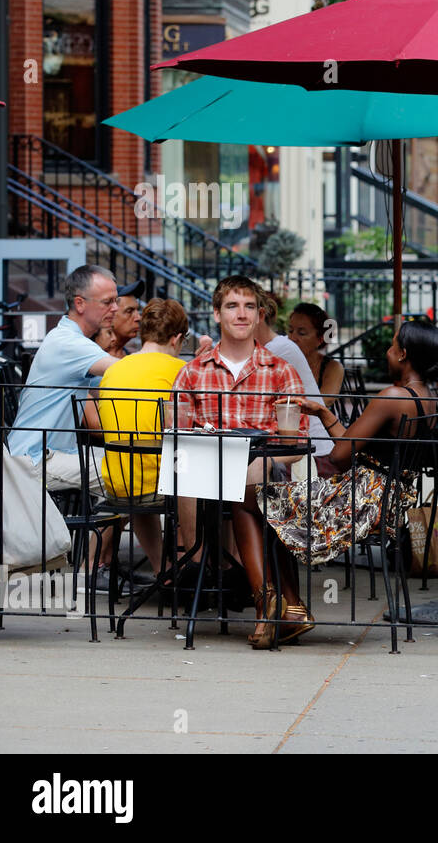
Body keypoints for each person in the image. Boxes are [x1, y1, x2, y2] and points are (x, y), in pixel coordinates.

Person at [171, 275, 313, 650]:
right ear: (217, 313)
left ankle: (269, 607)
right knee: (245, 482)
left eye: (250, 306)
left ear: (260, 314)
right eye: (232, 306)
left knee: (251, 480)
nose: (242, 313)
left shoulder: (281, 371)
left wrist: (255, 461)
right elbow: (177, 441)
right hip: (206, 473)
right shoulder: (193, 372)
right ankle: (287, 605)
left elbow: (297, 443)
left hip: (266, 469)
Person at [262, 318, 438, 565]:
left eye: (392, 348)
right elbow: (352, 446)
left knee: (255, 500)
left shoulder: (392, 397)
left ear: (403, 354)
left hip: (360, 502)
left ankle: (271, 591)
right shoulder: (429, 398)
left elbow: (339, 456)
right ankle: (279, 592)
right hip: (389, 500)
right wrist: (322, 412)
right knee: (268, 500)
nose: (386, 353)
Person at [91, 299, 192, 577]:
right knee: (214, 482)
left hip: (117, 480)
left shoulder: (114, 369)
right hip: (162, 485)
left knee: (141, 484)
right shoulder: (179, 371)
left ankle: (163, 568)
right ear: (177, 338)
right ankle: (194, 565)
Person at [8, 264, 119, 496]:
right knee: (129, 473)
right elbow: (125, 372)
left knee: (132, 468)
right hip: (36, 459)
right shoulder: (69, 343)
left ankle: (99, 533)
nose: (115, 308)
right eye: (108, 302)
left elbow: (118, 381)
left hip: (48, 453)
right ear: (80, 304)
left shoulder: (68, 338)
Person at [254, 292, 332, 465]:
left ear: (260, 315)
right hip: (295, 450)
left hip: (311, 454)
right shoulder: (278, 346)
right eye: (291, 330)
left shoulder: (280, 349)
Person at [287, 302, 344, 408]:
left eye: (302, 333)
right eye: (290, 331)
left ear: (320, 339)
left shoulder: (332, 367)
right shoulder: (281, 362)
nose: (292, 337)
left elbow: (326, 401)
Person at [92, 283, 143, 359]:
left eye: (137, 310)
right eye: (129, 311)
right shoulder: (88, 358)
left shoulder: (131, 357)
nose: (139, 318)